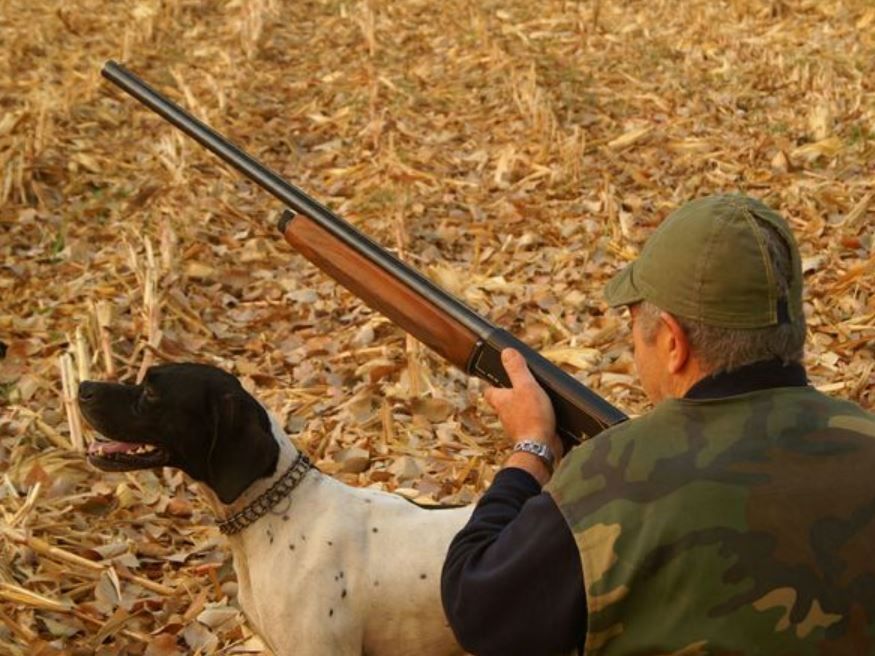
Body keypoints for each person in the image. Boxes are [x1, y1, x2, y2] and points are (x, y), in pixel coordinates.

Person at [441, 194, 875, 655]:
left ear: (673, 341)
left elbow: (477, 607)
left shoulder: (609, 479)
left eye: (633, 320)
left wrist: (532, 449)